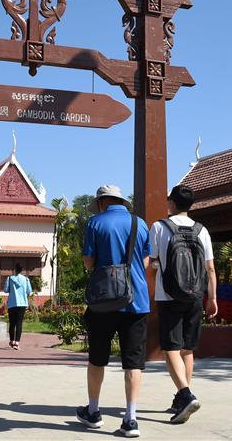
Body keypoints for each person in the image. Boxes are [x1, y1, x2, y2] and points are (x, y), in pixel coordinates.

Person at [76, 185, 151, 438]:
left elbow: (88, 261)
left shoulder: (95, 223)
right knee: (133, 363)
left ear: (101, 202)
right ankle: (130, 419)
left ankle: (94, 412)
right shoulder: (139, 223)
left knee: (97, 359)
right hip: (136, 301)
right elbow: (147, 261)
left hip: (103, 302)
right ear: (121, 201)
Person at [149, 184, 217, 425]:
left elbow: (153, 261)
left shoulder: (160, 227)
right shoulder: (202, 230)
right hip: (196, 296)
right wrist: (213, 298)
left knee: (170, 347)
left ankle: (186, 394)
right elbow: (210, 268)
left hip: (169, 296)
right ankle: (181, 398)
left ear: (172, 203)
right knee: (187, 348)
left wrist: (158, 267)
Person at [3, 262, 32, 349]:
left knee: (12, 323)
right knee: (19, 323)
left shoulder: (10, 278)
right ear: (21, 270)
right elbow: (29, 291)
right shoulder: (26, 279)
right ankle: (17, 343)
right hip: (22, 303)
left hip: (12, 303)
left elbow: (5, 290)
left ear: (15, 269)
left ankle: (12, 341)